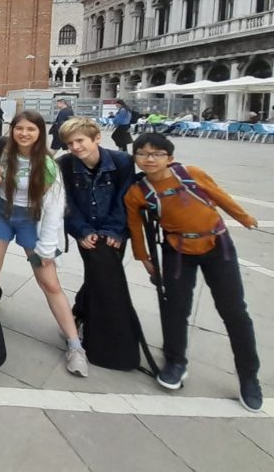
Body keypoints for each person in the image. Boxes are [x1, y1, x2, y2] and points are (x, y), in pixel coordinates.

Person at [124, 133, 262, 412]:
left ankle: (249, 376)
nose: (149, 159)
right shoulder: (137, 192)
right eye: (142, 153)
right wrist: (143, 258)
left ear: (170, 158)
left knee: (234, 311)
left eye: (156, 153)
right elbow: (135, 227)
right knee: (175, 308)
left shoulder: (191, 174)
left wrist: (244, 217)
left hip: (217, 245)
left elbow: (220, 197)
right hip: (177, 250)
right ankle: (175, 362)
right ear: (135, 157)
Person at [0, 110, 88, 377]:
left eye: (31, 129)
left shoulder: (48, 164)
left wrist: (47, 247)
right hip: (1, 216)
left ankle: (75, 344)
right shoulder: (2, 149)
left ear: (40, 133)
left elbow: (54, 208)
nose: (24, 133)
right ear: (12, 129)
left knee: (49, 282)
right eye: (19, 128)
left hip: (33, 222)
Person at [57, 117, 137, 369]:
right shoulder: (66, 165)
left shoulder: (122, 162)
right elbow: (65, 202)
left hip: (114, 231)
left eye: (80, 141)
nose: (76, 147)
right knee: (100, 273)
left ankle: (79, 313)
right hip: (86, 231)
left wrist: (115, 230)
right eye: (70, 143)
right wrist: (82, 231)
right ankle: (88, 323)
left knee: (100, 275)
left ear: (97, 138)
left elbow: (125, 198)